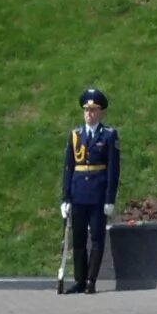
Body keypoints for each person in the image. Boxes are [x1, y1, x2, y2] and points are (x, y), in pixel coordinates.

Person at [59, 86, 120, 294]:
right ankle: (79, 279)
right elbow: (69, 167)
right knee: (78, 240)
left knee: (96, 238)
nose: (89, 114)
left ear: (101, 112)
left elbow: (113, 170)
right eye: (86, 110)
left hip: (97, 194)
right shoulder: (76, 135)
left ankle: (91, 281)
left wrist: (110, 199)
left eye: (93, 110)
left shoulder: (109, 135)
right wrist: (65, 197)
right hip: (78, 194)